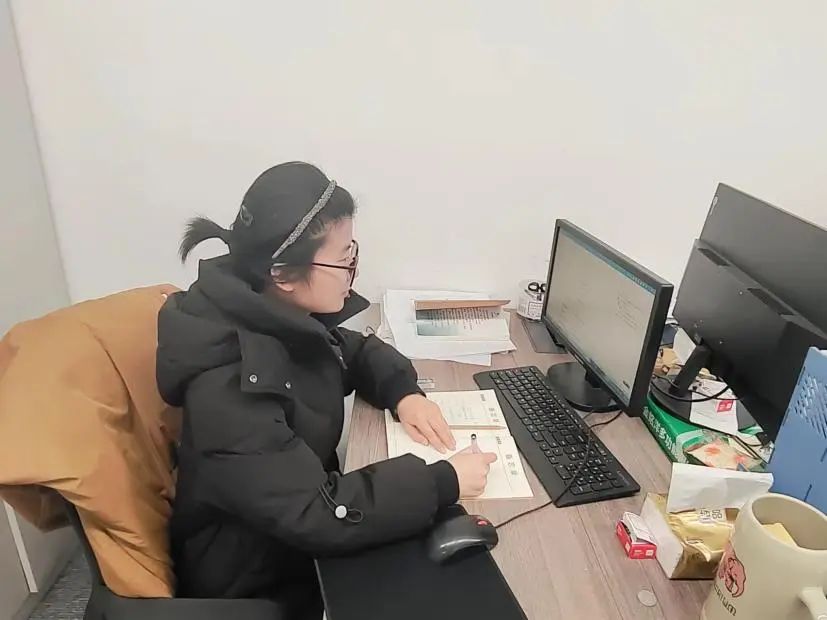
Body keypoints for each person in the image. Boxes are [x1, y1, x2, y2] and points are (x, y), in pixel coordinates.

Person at [156, 162, 498, 619]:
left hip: (294, 533)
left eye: (352, 250)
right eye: (342, 259)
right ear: (283, 272)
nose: (352, 269)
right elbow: (317, 514)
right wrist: (444, 481)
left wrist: (404, 393)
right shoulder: (229, 386)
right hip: (261, 579)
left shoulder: (270, 312)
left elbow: (350, 351)